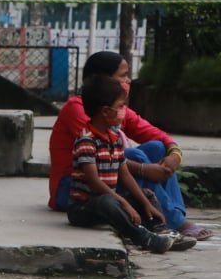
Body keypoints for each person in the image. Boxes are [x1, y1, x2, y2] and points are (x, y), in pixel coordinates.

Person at [48, 51, 214, 241]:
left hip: (107, 180)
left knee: (157, 148)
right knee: (135, 156)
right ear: (103, 79)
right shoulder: (81, 109)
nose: (128, 80)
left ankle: (173, 215)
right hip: (75, 189)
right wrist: (144, 169)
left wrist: (174, 153)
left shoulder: (115, 109)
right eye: (123, 75)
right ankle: (173, 221)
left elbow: (155, 134)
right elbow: (102, 156)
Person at [66, 75, 186, 254]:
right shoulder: (86, 141)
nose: (124, 111)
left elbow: (125, 174)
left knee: (146, 195)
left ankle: (160, 230)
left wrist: (145, 203)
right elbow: (94, 182)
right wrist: (124, 203)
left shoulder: (114, 139)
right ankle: (142, 237)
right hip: (83, 208)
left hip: (110, 201)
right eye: (120, 106)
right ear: (105, 111)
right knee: (107, 201)